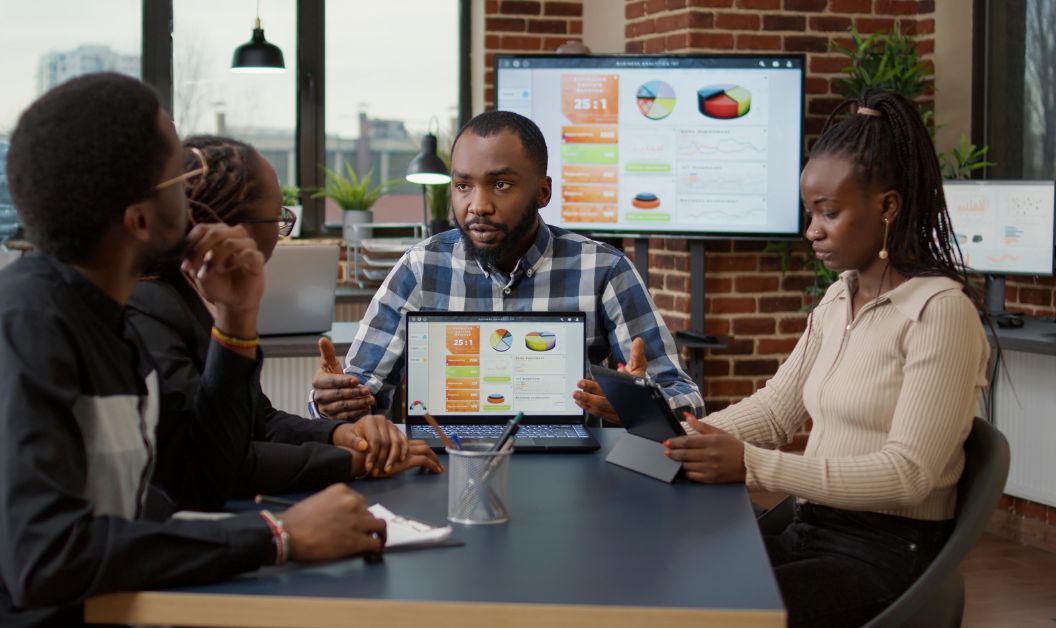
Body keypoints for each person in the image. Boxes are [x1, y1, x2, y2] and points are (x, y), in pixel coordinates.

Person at [0, 73, 385, 627]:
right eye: (181, 172)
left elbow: (202, 478)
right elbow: (47, 560)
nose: (194, 191)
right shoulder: (25, 324)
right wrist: (277, 536)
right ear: (140, 218)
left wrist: (236, 320)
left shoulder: (104, 317)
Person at [662, 90, 990, 627]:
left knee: (713, 610)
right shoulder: (840, 296)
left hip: (883, 554)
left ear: (887, 207)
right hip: (811, 529)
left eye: (828, 212)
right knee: (671, 577)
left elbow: (909, 475)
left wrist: (751, 465)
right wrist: (676, 438)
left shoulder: (939, 312)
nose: (811, 230)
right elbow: (776, 410)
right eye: (809, 212)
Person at [309, 110, 702, 421]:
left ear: (542, 192)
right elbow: (359, 396)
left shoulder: (604, 270)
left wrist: (636, 406)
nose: (478, 206)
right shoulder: (421, 268)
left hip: (574, 468)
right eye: (463, 186)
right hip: (446, 460)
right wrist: (332, 403)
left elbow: (687, 401)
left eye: (500, 185)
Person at [127, 134, 443, 493]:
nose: (282, 235)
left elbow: (258, 421)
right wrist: (356, 461)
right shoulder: (149, 309)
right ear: (233, 226)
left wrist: (343, 434)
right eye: (278, 217)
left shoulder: (195, 296)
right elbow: (217, 462)